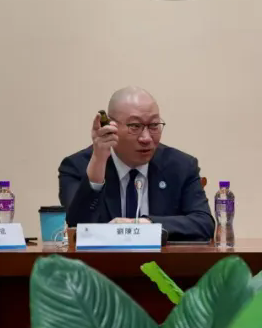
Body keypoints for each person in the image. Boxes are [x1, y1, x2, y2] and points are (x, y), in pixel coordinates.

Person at [58, 87, 215, 241]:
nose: (146, 138)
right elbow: (77, 226)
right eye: (135, 126)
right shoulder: (76, 167)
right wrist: (98, 163)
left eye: (154, 125)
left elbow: (204, 223)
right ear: (110, 127)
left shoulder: (181, 166)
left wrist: (147, 224)